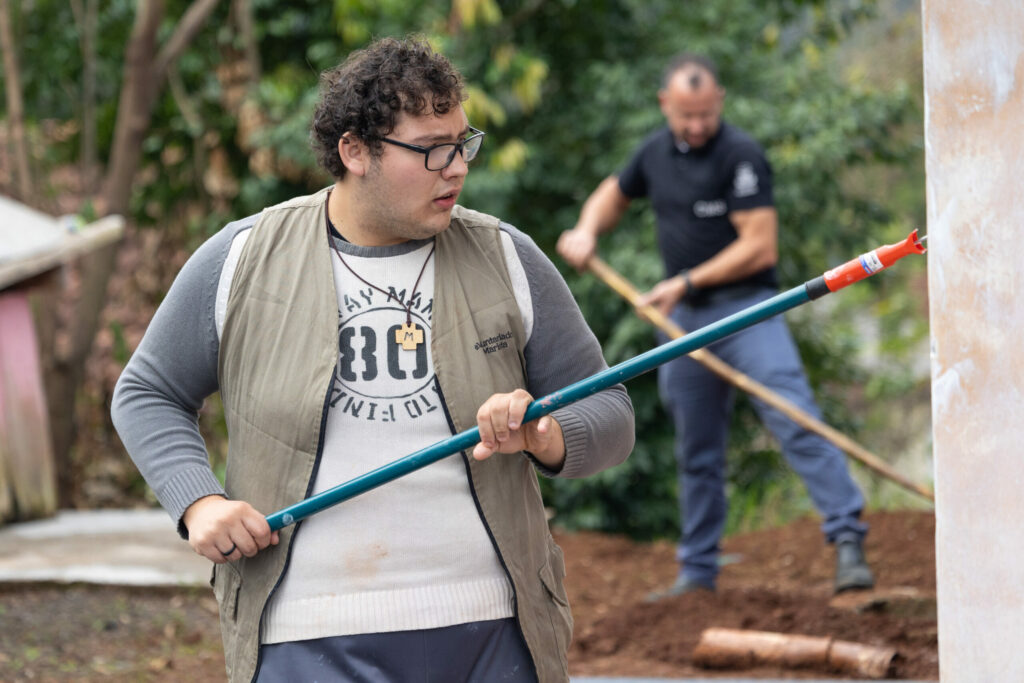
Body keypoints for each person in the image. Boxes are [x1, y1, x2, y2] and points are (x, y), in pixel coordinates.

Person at [112, 37, 634, 683]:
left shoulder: (506, 257)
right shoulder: (243, 259)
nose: (456, 168)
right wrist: (198, 501)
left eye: (462, 143)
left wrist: (543, 432)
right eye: (430, 149)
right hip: (304, 638)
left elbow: (610, 410)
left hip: (494, 632)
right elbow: (148, 393)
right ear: (355, 150)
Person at [557, 54, 873, 597]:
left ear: (719, 101)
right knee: (696, 448)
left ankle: (847, 538)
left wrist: (684, 282)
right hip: (684, 324)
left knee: (793, 416)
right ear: (666, 105)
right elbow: (614, 193)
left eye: (706, 113)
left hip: (749, 312)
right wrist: (586, 230)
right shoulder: (654, 153)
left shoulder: (741, 155)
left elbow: (760, 246)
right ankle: (698, 572)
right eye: (687, 115)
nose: (698, 125)